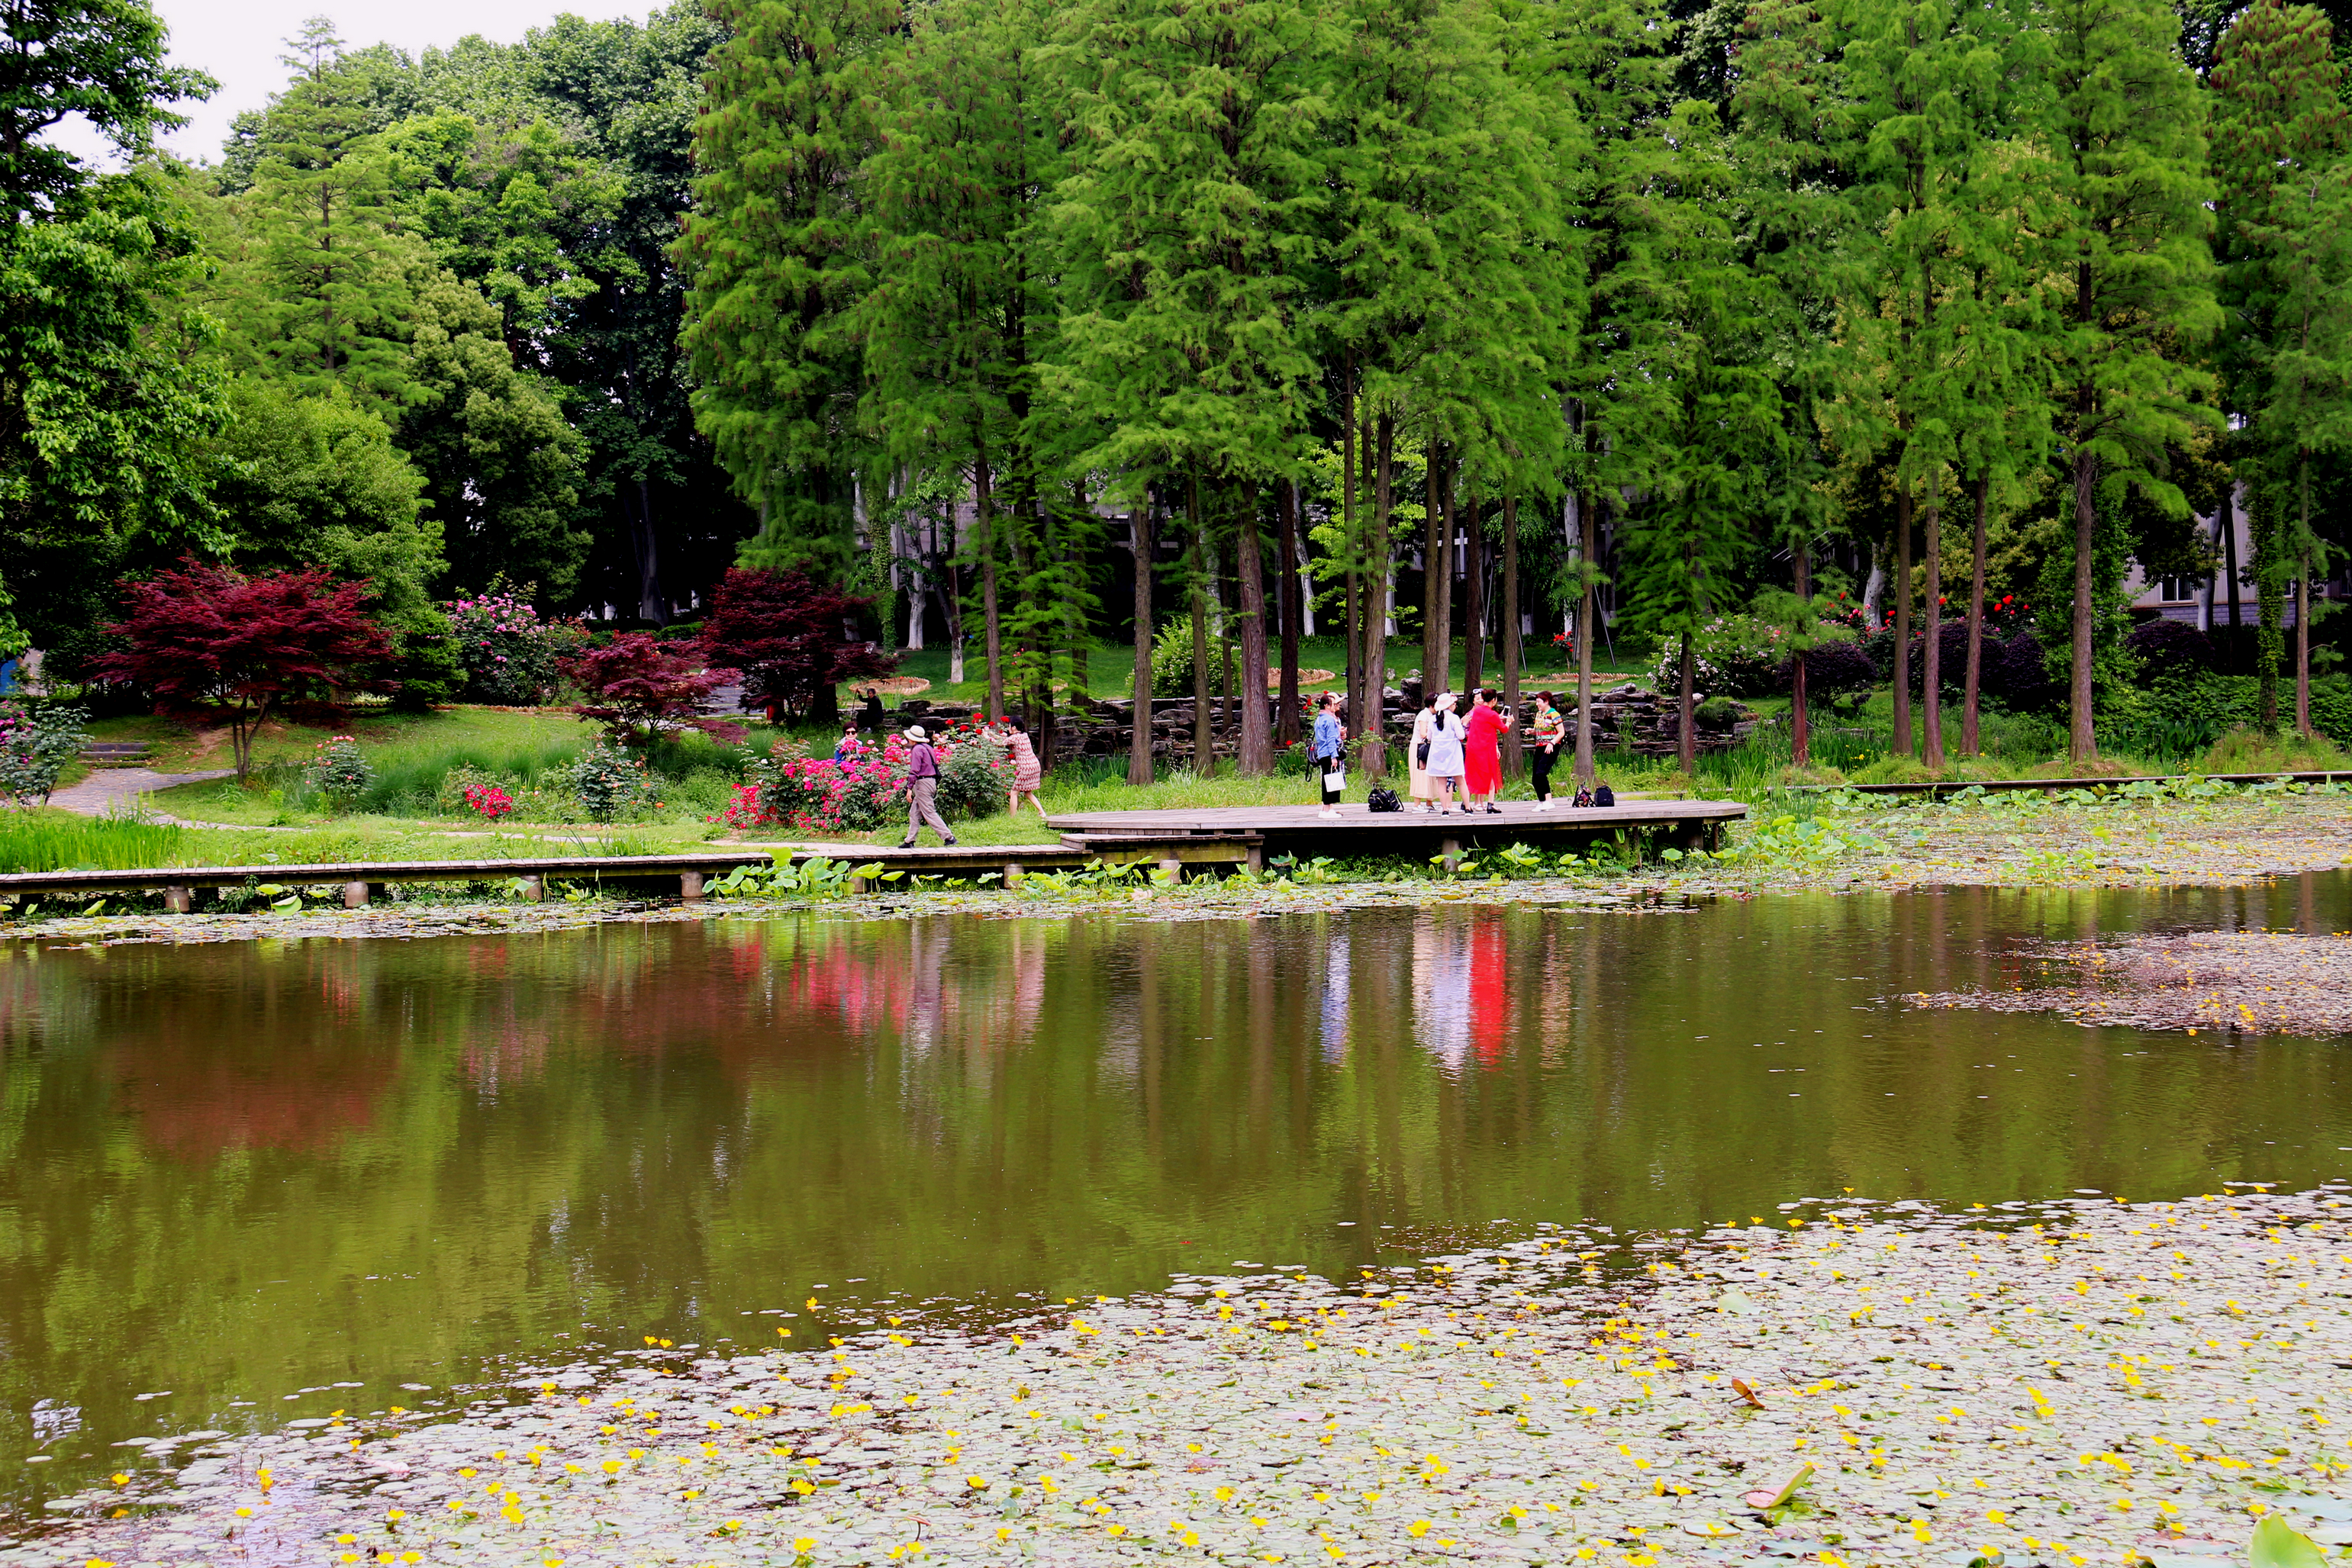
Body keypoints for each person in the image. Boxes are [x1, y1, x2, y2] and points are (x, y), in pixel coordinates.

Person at [898, 726, 958, 847]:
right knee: (914, 812)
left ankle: (949, 837)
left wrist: (909, 788)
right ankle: (909, 840)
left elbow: (914, 770)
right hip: (931, 781)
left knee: (929, 812)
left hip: (923, 783)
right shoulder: (928, 747)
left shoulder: (917, 749)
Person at [988, 714, 1047, 818]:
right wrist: (991, 734)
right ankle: (1042, 813)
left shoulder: (1014, 738)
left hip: (1026, 767)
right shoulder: (1024, 735)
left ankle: (1013, 817)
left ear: (1014, 727)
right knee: (1028, 792)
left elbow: (999, 743)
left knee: (1014, 792)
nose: (1008, 728)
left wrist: (986, 736)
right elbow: (1005, 739)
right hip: (1035, 765)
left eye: (1009, 725)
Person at [1463, 687, 1506, 814]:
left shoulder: (1477, 711)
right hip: (1487, 748)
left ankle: (1466, 802)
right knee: (1491, 774)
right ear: (1493, 700)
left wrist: (1499, 717)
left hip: (1473, 747)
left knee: (1472, 773)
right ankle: (1490, 803)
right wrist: (1508, 722)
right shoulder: (1491, 714)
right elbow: (1503, 729)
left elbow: (1486, 722)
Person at [1423, 693, 1467, 813]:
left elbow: (1429, 737)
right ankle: (1468, 808)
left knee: (1441, 783)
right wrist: (1463, 725)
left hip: (1438, 753)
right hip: (1452, 752)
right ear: (1450, 705)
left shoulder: (1433, 719)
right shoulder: (1454, 718)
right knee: (1460, 780)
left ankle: (1445, 809)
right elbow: (1461, 735)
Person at [1311, 692, 1348, 817]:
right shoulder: (1330, 720)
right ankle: (1326, 810)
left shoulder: (1320, 719)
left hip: (1322, 753)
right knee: (1331, 781)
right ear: (1327, 705)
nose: (1335, 707)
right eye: (1333, 704)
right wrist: (1334, 756)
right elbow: (1331, 740)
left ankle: (1327, 809)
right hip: (1329, 753)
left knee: (1327, 780)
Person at [1529, 691, 1565, 809]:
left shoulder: (1554, 714)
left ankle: (1549, 801)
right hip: (1540, 746)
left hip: (1551, 746)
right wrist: (1531, 731)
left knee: (1541, 773)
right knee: (1535, 777)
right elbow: (1540, 730)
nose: (1537, 704)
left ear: (1546, 702)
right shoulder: (1539, 714)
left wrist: (1552, 743)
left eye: (1539, 702)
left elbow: (1561, 732)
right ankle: (1542, 801)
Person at [1406, 693, 1439, 813]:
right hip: (1420, 748)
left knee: (1430, 775)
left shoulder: (1432, 715)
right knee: (1420, 775)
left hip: (1428, 747)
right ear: (1432, 704)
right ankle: (1416, 804)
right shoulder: (1423, 715)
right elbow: (1423, 734)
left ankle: (1430, 803)